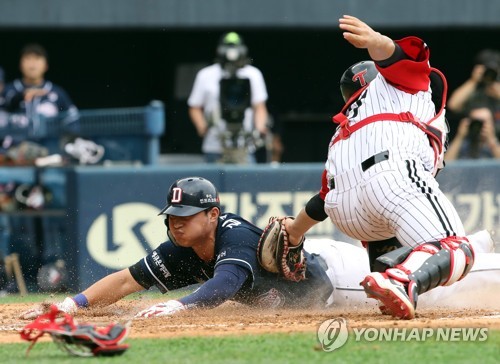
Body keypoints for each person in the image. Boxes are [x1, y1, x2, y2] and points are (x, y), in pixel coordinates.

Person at [281, 15, 473, 320]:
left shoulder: (342, 129)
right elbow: (397, 55)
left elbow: (322, 200)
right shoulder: (400, 86)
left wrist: (293, 231)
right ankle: (400, 280)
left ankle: (388, 274)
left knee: (392, 218)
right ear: (380, 76)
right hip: (390, 177)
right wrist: (377, 42)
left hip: (347, 212)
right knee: (455, 248)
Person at [20, 176, 335, 320]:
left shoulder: (234, 235)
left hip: (337, 280)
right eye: (172, 217)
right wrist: (73, 303)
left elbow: (224, 285)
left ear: (213, 215)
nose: (176, 224)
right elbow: (127, 280)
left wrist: (181, 305)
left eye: (185, 215)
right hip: (301, 298)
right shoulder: (183, 246)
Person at [188, 32, 269, 164]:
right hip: (214, 144)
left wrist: (260, 128)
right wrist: (201, 126)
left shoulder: (253, 74)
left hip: (244, 146)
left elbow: (259, 106)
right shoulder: (205, 74)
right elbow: (194, 106)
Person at [1, 43, 79, 134]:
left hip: (48, 145)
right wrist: (21, 96)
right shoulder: (8, 90)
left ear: (46, 65)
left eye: (37, 59)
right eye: (28, 59)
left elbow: (72, 120)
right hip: (14, 145)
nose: (32, 64)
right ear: (20, 65)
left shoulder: (57, 92)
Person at [447, 49, 500, 127]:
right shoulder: (473, 89)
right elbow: (453, 106)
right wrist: (473, 81)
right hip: (472, 133)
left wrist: (494, 84)